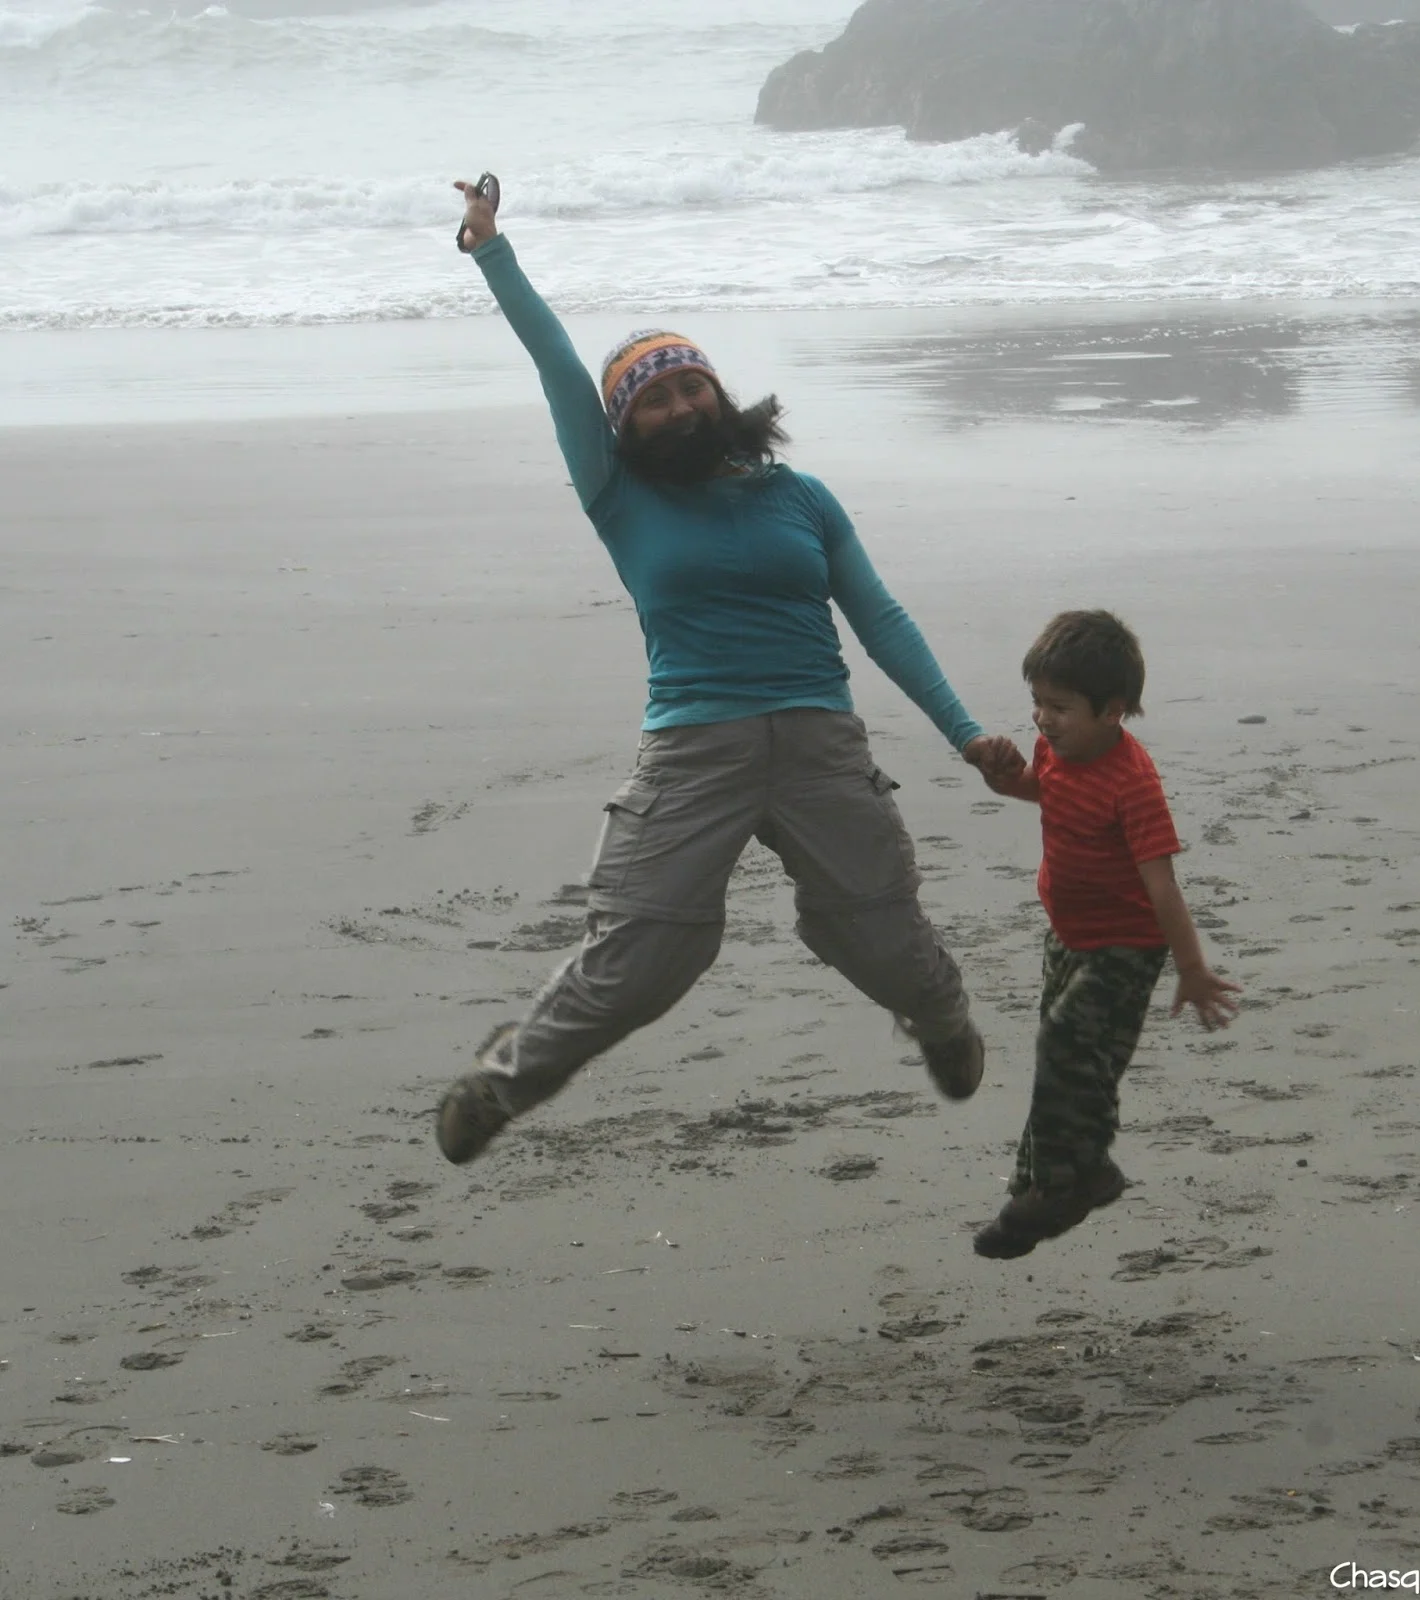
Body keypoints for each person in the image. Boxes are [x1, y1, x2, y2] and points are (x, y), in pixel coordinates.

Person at [435, 177, 992, 1166]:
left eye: (691, 385)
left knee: (877, 931)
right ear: (625, 426)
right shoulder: (618, 495)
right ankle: (500, 1085)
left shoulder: (801, 497)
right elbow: (559, 367)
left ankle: (941, 1019)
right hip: (693, 749)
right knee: (644, 951)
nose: (679, 404)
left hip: (821, 744)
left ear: (720, 393)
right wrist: (492, 249)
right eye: (652, 399)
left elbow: (879, 619)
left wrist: (967, 734)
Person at [965, 609, 1241, 1259]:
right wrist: (1001, 779)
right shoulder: (1055, 750)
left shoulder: (1132, 783)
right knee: (1066, 1061)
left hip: (1125, 946)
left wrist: (1191, 969)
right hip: (1068, 934)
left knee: (1068, 1043)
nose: (1042, 719)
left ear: (1113, 710)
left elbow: (1161, 885)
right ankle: (1038, 1183)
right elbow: (1043, 791)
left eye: (1059, 707)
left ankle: (1077, 1180)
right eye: (1037, 702)